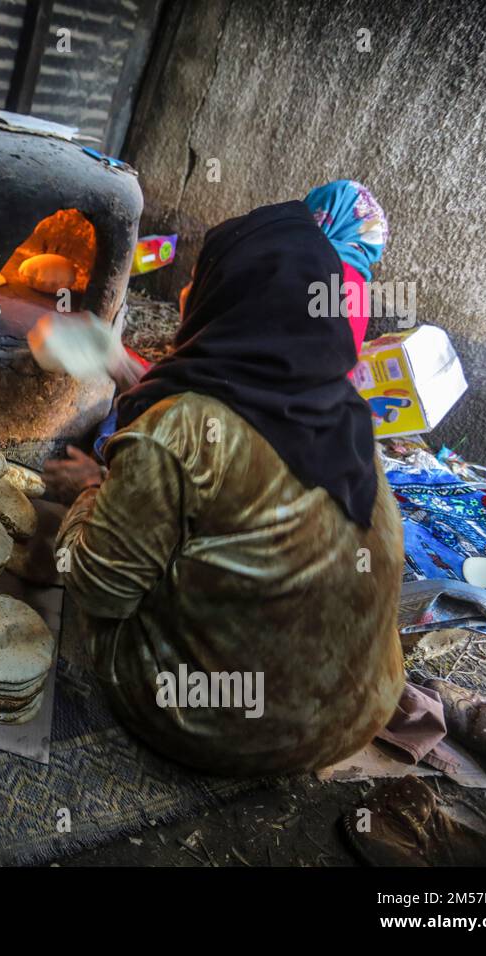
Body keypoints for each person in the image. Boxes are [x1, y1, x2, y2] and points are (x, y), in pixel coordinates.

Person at [45, 188, 403, 776]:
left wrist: (91, 491)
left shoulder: (178, 429)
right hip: (357, 713)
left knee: (61, 554)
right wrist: (128, 368)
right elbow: (237, 409)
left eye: (203, 278)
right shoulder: (342, 410)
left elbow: (98, 587)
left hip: (223, 725)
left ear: (233, 293)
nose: (187, 292)